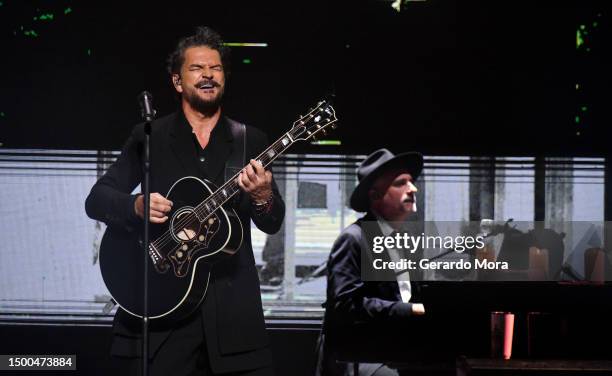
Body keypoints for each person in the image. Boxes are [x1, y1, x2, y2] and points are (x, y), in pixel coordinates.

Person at [85, 26, 284, 376]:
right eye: (197, 68)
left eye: (216, 68)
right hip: (160, 316)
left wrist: (264, 197)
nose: (208, 75)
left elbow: (271, 220)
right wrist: (135, 206)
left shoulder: (250, 140)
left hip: (233, 323)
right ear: (178, 82)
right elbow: (97, 199)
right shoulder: (150, 136)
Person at [317, 149, 426, 376]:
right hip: (360, 356)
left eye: (412, 181)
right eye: (401, 182)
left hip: (395, 351)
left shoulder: (406, 241)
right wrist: (410, 310)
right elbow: (346, 307)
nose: (413, 188)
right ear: (375, 196)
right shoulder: (353, 239)